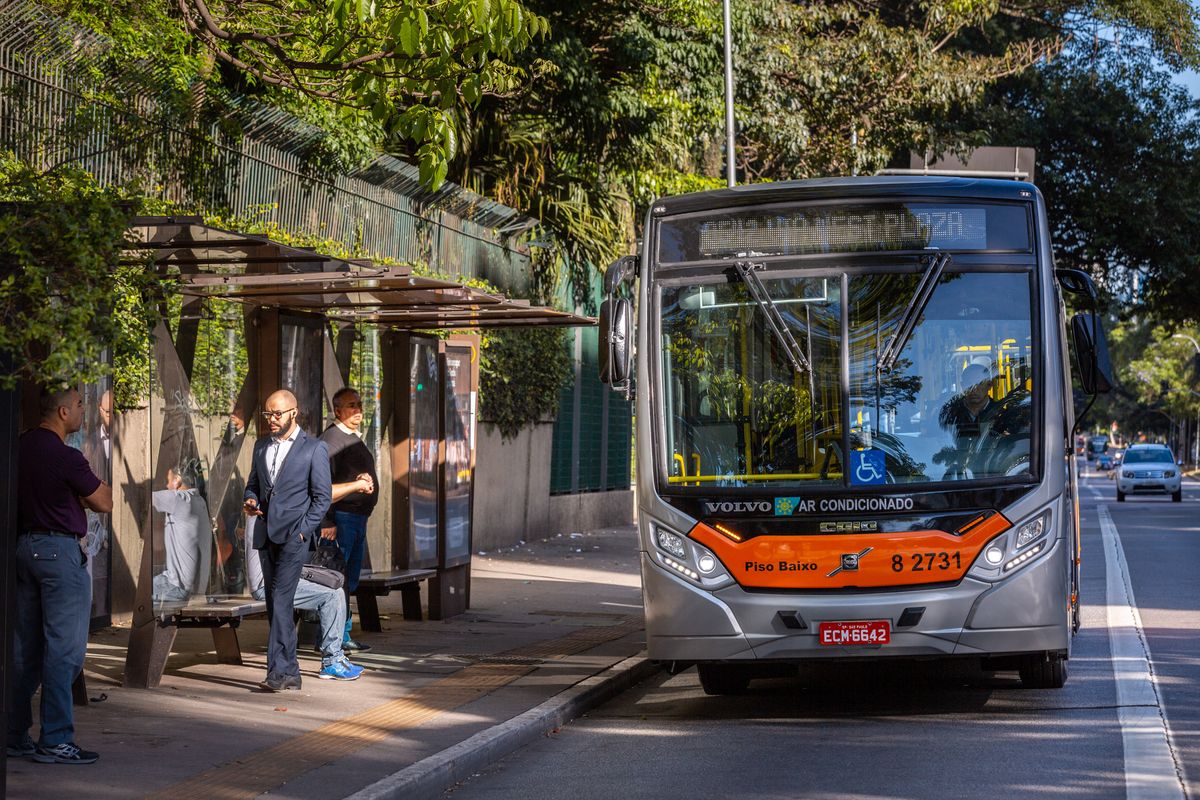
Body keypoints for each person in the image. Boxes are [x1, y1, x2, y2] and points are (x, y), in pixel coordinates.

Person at [7, 386, 112, 765]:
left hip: (23, 550)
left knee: (25, 649)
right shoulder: (66, 456)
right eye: (81, 404)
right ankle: (55, 739)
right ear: (63, 412)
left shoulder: (19, 446)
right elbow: (104, 500)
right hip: (59, 553)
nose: (85, 411)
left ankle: (14, 734)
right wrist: (80, 494)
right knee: (64, 651)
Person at [244, 389, 332, 692]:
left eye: (277, 413)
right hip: (266, 534)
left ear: (294, 413)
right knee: (274, 605)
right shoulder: (260, 447)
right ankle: (292, 671)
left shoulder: (313, 449)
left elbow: (323, 499)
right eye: (267, 413)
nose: (271, 419)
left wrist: (303, 531)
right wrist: (251, 500)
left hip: (295, 538)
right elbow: (252, 485)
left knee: (281, 600)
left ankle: (278, 673)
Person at [244, 534, 364, 681]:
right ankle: (331, 661)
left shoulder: (269, 518)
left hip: (284, 576)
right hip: (267, 583)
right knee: (332, 596)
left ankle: (334, 658)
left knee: (336, 589)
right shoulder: (268, 521)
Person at [319, 387, 379, 653]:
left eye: (359, 405)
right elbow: (321, 484)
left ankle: (343, 634)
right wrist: (327, 520)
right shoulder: (333, 440)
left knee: (349, 579)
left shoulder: (350, 436)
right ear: (337, 411)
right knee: (339, 579)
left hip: (356, 518)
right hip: (342, 519)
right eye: (351, 406)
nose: (358, 411)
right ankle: (336, 638)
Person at [151, 462, 213, 603]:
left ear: (177, 480)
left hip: (177, 587)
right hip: (197, 589)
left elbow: (145, 497)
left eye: (168, 481)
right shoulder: (200, 501)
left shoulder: (179, 499)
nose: (166, 486)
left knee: (137, 593)